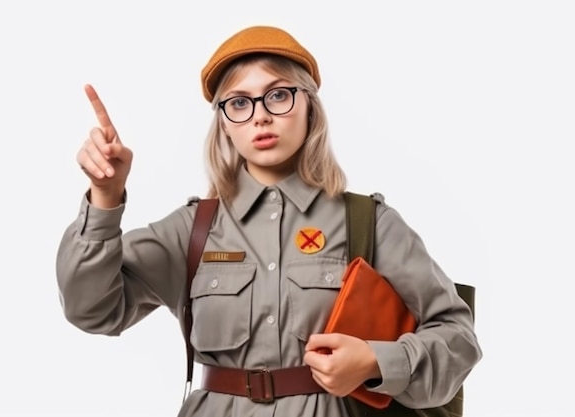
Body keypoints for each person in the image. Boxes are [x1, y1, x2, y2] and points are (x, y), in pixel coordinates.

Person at [56, 25, 482, 417]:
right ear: (224, 124)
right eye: (239, 103)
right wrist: (104, 199)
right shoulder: (192, 230)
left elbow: (457, 338)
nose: (260, 115)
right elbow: (92, 310)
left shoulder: (369, 223)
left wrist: (375, 362)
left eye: (278, 95)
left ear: (309, 107)